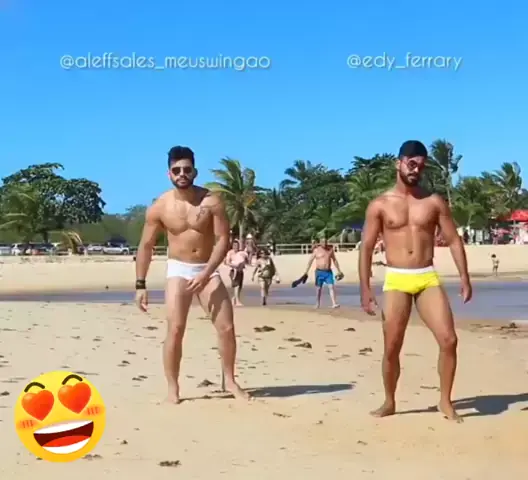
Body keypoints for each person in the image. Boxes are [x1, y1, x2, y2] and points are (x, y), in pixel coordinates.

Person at [358, 140, 472, 422]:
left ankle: (445, 401)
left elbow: (454, 240)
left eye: (420, 165)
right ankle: (389, 401)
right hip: (397, 278)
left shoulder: (433, 202)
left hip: (426, 276)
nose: (415, 170)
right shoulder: (380, 205)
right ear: (398, 163)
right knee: (392, 347)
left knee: (449, 340)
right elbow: (367, 247)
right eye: (411, 164)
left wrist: (464, 277)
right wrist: (365, 288)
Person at [134, 145, 248, 403]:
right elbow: (146, 246)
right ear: (169, 174)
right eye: (176, 170)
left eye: (186, 169)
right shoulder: (159, 207)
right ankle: (173, 389)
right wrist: (140, 284)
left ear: (195, 171)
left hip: (207, 269)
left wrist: (206, 273)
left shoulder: (212, 201)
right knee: (175, 329)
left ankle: (230, 381)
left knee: (226, 327)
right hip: (179, 269)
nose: (182, 174)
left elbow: (223, 239)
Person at [303, 237, 344, 308]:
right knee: (318, 288)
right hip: (319, 272)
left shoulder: (330, 250)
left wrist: (339, 270)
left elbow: (334, 260)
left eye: (325, 242)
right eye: (322, 242)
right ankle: (317, 303)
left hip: (328, 272)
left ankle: (334, 303)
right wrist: (306, 271)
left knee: (331, 286)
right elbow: (310, 261)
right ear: (320, 242)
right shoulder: (316, 250)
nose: (324, 243)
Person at [224, 239, 249, 306]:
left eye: (237, 245)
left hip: (240, 271)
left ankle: (234, 298)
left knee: (240, 286)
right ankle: (237, 301)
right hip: (233, 271)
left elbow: (246, 261)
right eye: (234, 245)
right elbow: (227, 262)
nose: (236, 247)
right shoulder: (230, 253)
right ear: (232, 246)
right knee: (236, 286)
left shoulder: (242, 253)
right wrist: (234, 265)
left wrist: (243, 263)